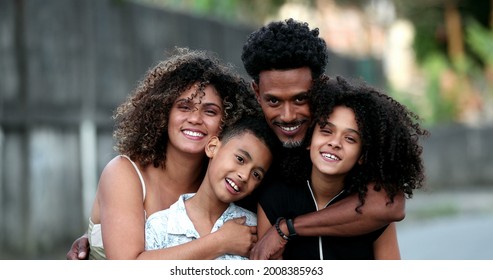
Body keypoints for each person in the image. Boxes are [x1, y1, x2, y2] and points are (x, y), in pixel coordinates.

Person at [68, 48, 262, 260]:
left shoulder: (225, 181)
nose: (195, 119)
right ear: (163, 113)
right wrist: (220, 242)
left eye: (210, 111)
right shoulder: (123, 173)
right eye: (184, 107)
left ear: (226, 123)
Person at [240, 18, 408, 259]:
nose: (287, 116)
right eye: (274, 101)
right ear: (257, 93)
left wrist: (287, 228)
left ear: (318, 87)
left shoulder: (340, 144)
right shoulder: (248, 141)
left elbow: (389, 204)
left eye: (300, 99)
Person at [257, 75, 428, 259]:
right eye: (326, 131)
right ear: (309, 140)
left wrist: (288, 228)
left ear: (362, 155)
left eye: (350, 138)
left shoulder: (371, 209)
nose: (335, 143)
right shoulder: (275, 198)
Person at [145, 116, 281, 260]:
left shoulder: (255, 232)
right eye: (240, 159)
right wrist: (221, 241)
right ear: (213, 147)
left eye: (256, 174)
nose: (244, 175)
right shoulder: (160, 225)